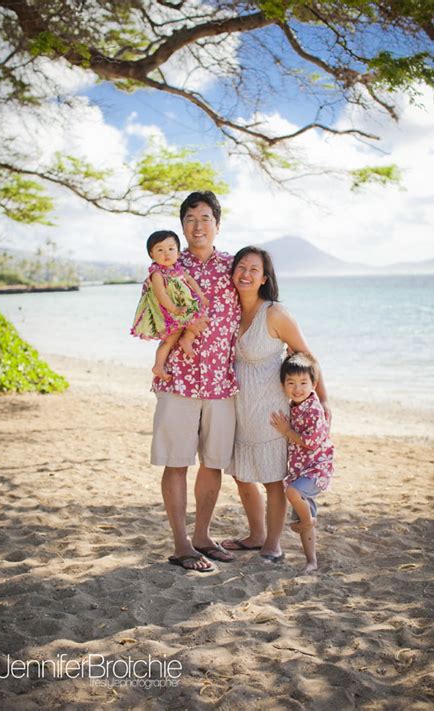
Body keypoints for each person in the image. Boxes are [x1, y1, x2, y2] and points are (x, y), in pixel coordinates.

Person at [221, 246, 331, 562]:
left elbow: (308, 358)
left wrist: (322, 399)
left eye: (253, 269)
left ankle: (273, 543)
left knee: (271, 479)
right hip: (239, 409)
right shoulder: (230, 310)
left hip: (271, 413)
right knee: (242, 476)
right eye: (240, 267)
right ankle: (255, 535)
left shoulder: (275, 314)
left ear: (264, 278)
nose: (245, 273)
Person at [150, 191, 241, 572]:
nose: (197, 225)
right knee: (176, 462)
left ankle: (203, 536)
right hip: (179, 380)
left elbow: (256, 311)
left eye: (205, 218)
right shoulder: (166, 264)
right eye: (190, 218)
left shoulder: (235, 266)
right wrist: (183, 329)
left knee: (213, 463)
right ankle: (181, 544)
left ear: (218, 224)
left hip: (221, 381)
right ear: (182, 225)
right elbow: (153, 315)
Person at [270, 352, 334, 573]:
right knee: (303, 509)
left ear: (314, 384)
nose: (297, 388)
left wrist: (287, 431)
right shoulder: (295, 405)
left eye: (303, 383)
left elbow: (310, 442)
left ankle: (308, 522)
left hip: (316, 470)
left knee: (291, 492)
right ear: (283, 385)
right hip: (301, 470)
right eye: (291, 383)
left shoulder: (314, 410)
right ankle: (311, 561)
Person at [131, 230, 209, 381]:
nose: (166, 253)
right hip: (170, 311)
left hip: (183, 307)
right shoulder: (157, 274)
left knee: (201, 319)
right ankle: (158, 365)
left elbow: (191, 280)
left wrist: (201, 296)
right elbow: (161, 295)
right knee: (169, 340)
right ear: (151, 254)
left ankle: (187, 338)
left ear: (178, 253)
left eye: (171, 249)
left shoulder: (178, 269)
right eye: (160, 250)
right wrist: (175, 309)